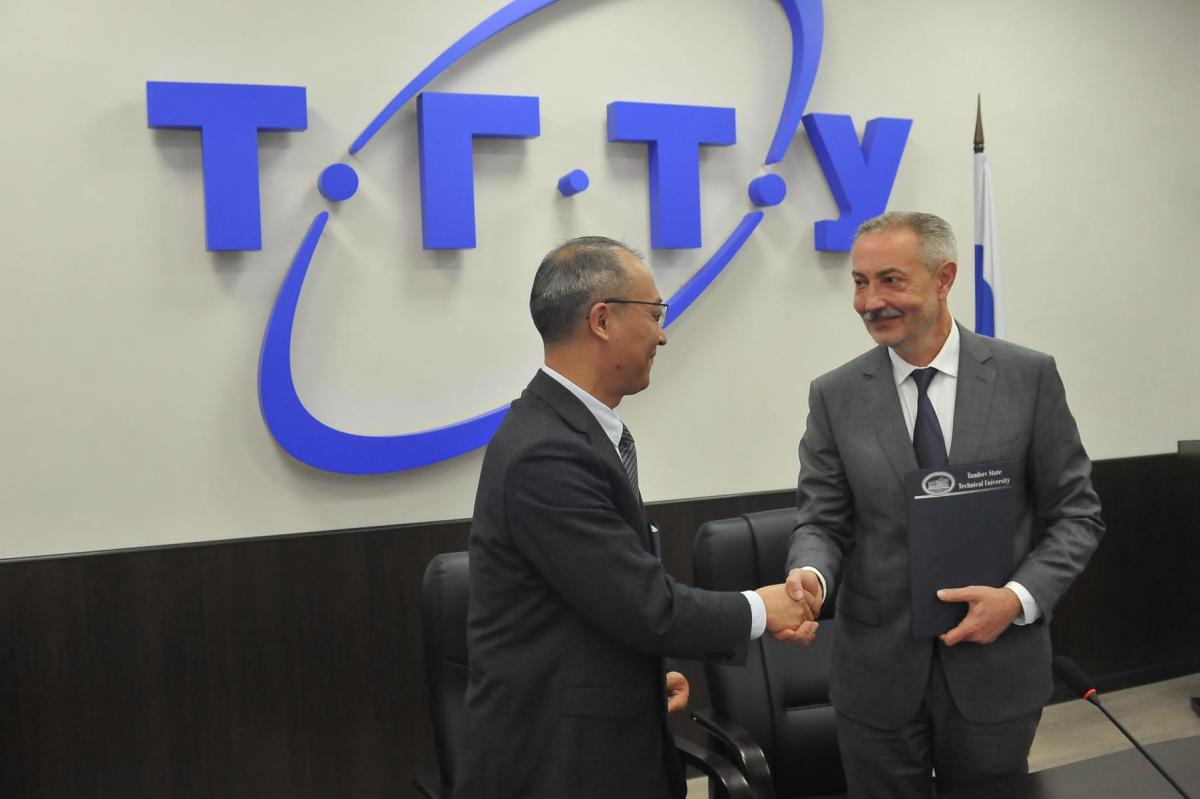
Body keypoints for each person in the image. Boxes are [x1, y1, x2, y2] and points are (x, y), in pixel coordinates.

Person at [455, 236, 818, 799]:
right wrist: (762, 608)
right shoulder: (545, 452)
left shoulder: (570, 432)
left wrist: (642, 677)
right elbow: (646, 607)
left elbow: (598, 603)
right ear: (602, 320)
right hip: (558, 765)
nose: (662, 335)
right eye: (654, 314)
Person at [783, 212, 1104, 797]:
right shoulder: (834, 395)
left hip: (997, 667)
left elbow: (1076, 514)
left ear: (944, 278)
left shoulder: (1027, 377)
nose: (870, 302)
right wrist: (810, 576)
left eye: (890, 280)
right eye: (860, 282)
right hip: (876, 674)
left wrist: (1018, 599)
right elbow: (822, 521)